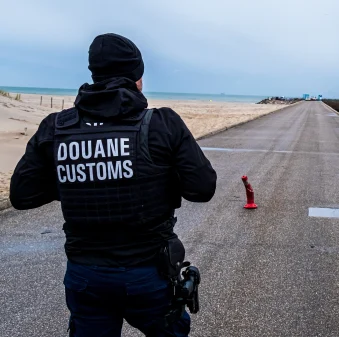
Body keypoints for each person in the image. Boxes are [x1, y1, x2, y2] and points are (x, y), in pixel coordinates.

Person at [9, 33, 217, 336]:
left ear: (94, 73)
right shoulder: (161, 123)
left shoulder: (56, 127)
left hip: (86, 277)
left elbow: (23, 194)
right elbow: (202, 188)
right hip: (148, 273)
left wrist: (80, 178)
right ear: (138, 77)